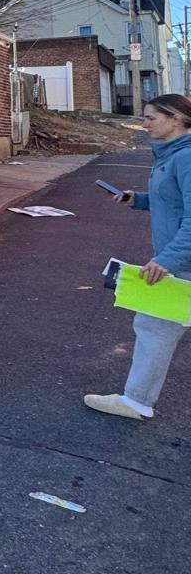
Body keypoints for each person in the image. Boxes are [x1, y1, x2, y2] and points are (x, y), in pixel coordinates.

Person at [85, 92, 191, 420]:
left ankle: (136, 400)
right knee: (156, 326)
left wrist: (167, 260)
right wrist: (139, 199)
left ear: (176, 118)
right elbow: (172, 201)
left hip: (181, 262)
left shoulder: (185, 157)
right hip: (179, 257)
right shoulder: (171, 155)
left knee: (153, 326)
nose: (143, 124)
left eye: (151, 118)